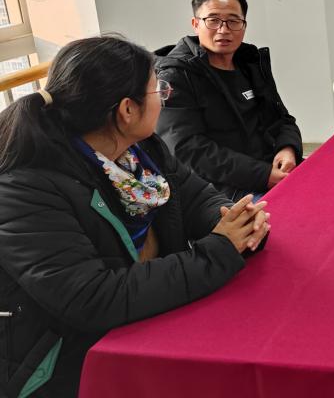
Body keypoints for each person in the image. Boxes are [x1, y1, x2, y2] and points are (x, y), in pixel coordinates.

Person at [0, 36, 269, 397]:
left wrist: (239, 223)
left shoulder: (140, 150)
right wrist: (221, 250)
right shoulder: (25, 189)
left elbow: (196, 197)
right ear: (127, 109)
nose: (164, 98)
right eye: (158, 90)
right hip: (67, 364)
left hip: (145, 320)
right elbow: (94, 298)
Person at [156, 0, 302, 201]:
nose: (223, 30)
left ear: (244, 26)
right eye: (213, 20)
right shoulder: (176, 75)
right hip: (222, 189)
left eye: (233, 21)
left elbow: (282, 118)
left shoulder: (249, 62)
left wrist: (288, 148)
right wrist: (263, 175)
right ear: (195, 24)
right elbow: (187, 149)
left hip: (271, 169)